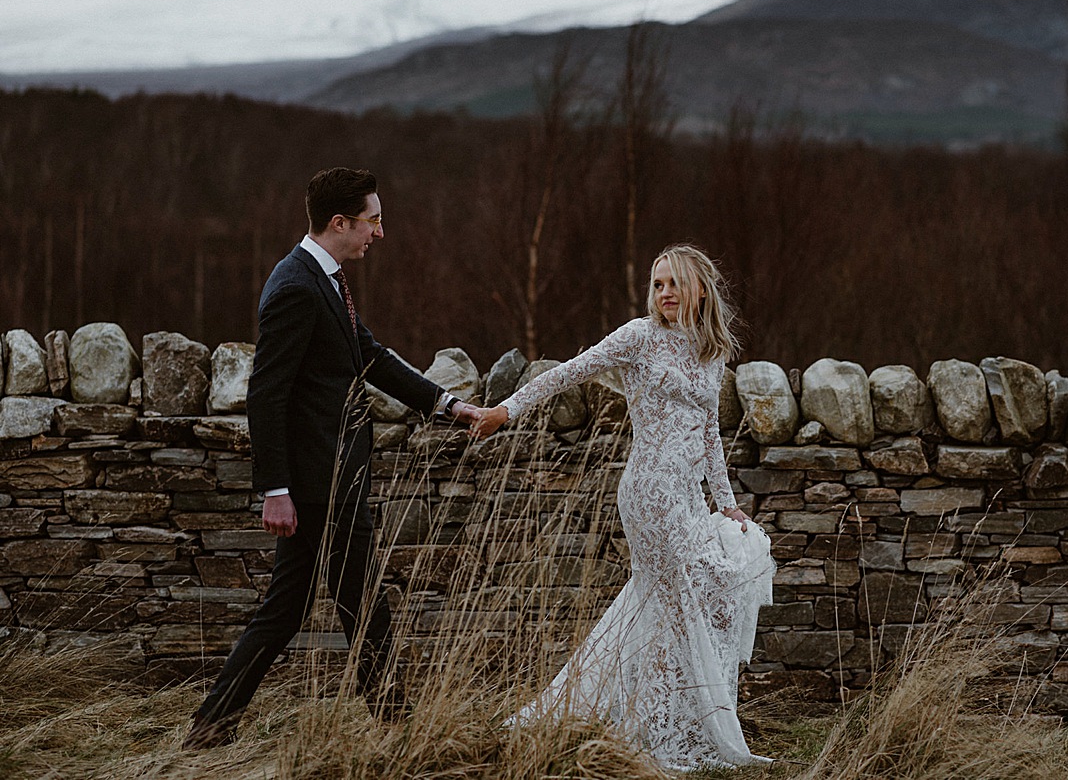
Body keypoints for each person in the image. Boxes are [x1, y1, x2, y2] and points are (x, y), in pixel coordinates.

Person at [184, 167, 479, 749]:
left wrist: (445, 404)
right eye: (372, 221)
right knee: (357, 606)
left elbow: (368, 354)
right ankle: (398, 727)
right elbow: (266, 394)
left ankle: (211, 729)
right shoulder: (296, 286)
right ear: (339, 223)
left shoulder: (326, 279)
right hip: (322, 482)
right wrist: (275, 489)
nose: (380, 232)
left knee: (302, 610)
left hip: (333, 478)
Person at [471, 244, 775, 771]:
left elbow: (709, 435)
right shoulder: (639, 338)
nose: (664, 294)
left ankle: (652, 715)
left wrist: (725, 505)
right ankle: (662, 726)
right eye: (657, 285)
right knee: (679, 598)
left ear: (700, 288)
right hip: (648, 493)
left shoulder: (712, 350)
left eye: (674, 284)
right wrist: (506, 408)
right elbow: (568, 372)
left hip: (687, 496)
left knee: (669, 603)